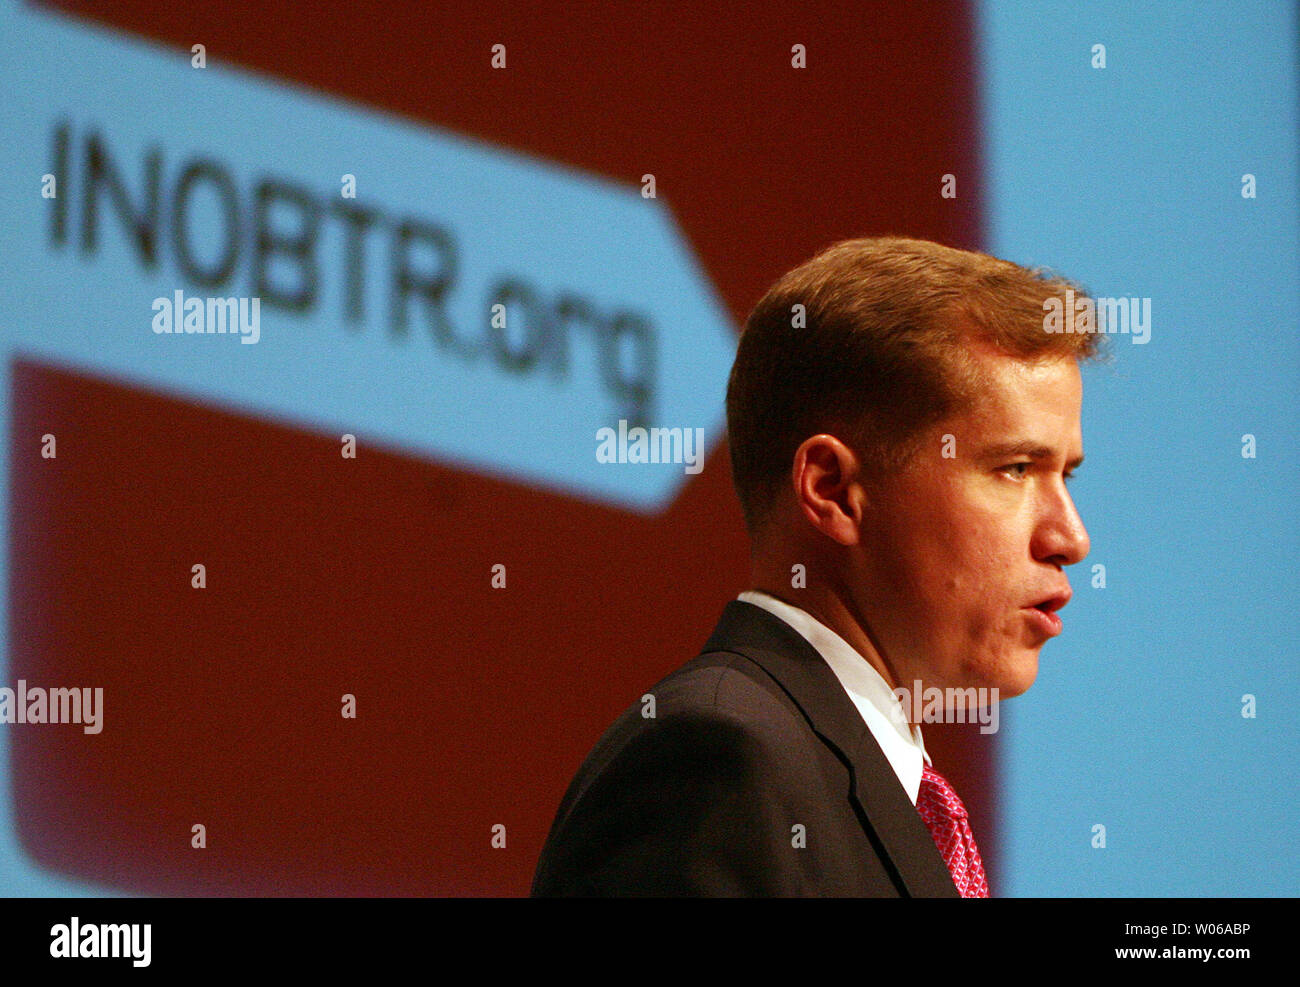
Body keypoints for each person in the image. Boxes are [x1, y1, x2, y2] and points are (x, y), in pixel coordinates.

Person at [532, 236, 1100, 897]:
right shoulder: (719, 760)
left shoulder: (867, 782)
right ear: (831, 490)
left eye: (1067, 474)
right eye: (1015, 468)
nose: (1071, 536)